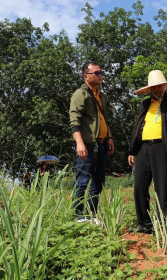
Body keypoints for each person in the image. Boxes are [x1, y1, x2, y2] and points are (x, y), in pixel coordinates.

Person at [128, 70, 167, 234]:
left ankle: (164, 225)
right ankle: (144, 224)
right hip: (143, 149)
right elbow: (139, 127)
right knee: (139, 187)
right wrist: (133, 150)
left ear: (165, 85)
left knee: (163, 188)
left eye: (159, 86)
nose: (157, 89)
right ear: (150, 88)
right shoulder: (145, 104)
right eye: (153, 87)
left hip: (163, 148)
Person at [69, 61, 114, 223]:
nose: (101, 75)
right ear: (86, 76)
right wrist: (79, 143)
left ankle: (91, 215)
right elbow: (74, 120)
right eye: (97, 73)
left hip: (101, 144)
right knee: (82, 180)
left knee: (98, 181)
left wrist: (109, 137)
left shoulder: (101, 95)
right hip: (87, 145)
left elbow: (105, 119)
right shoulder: (80, 94)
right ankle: (77, 216)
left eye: (101, 72)